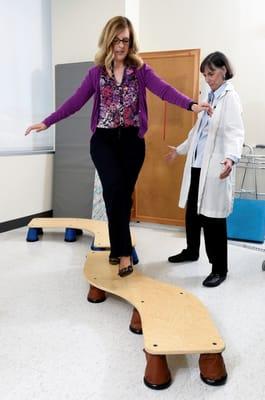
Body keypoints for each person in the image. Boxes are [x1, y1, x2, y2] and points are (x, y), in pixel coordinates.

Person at [25, 16, 210, 278]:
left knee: (120, 198)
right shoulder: (95, 74)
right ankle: (123, 255)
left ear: (131, 43)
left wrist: (191, 105)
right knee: (114, 190)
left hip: (133, 142)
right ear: (108, 40)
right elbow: (74, 103)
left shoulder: (141, 71)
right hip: (104, 142)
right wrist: (46, 122)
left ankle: (115, 248)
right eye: (116, 39)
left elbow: (165, 90)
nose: (121, 45)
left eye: (126, 40)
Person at [166, 51, 244, 287]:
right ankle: (191, 251)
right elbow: (197, 133)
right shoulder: (207, 96)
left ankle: (219, 269)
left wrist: (231, 158)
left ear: (223, 70)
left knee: (213, 220)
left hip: (215, 168)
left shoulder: (230, 98)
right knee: (192, 213)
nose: (208, 78)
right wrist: (179, 150)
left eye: (211, 73)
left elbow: (235, 132)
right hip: (198, 166)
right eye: (204, 75)